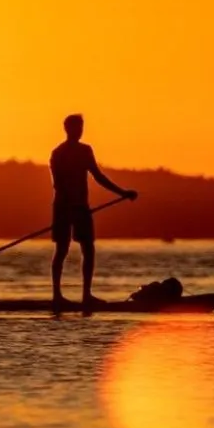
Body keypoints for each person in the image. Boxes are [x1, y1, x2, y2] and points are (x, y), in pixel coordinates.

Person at [50, 114, 137, 306]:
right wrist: (70, 207)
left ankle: (86, 295)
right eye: (75, 128)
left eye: (81, 127)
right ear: (67, 129)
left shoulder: (86, 150)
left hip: (82, 207)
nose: (79, 131)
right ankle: (57, 296)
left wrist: (122, 192)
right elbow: (58, 184)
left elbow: (98, 176)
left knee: (88, 249)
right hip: (63, 207)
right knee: (62, 249)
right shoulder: (58, 153)